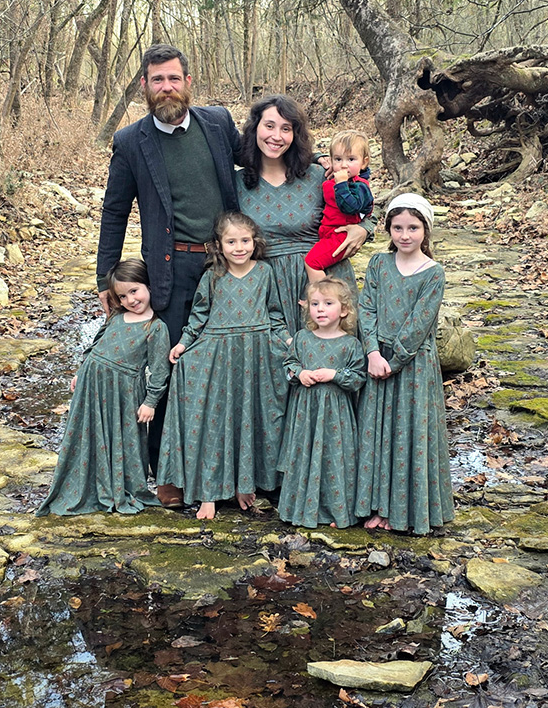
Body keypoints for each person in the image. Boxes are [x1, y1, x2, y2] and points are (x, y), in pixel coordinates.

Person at [96, 44, 242, 498]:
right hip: (171, 266)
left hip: (226, 263)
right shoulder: (131, 141)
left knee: (230, 362)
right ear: (144, 84)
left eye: (173, 78)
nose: (166, 87)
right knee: (169, 365)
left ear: (188, 82)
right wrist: (107, 279)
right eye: (157, 79)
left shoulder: (217, 124)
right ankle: (171, 473)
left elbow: (263, 164)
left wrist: (338, 184)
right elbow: (114, 211)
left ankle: (236, 471)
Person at [156, 212, 290, 520]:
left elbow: (275, 314)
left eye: (245, 241)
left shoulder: (265, 272)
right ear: (219, 245)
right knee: (217, 420)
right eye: (231, 241)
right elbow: (199, 317)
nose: (239, 247)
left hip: (257, 354)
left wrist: (288, 341)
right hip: (218, 355)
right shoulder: (213, 276)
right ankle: (210, 492)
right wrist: (183, 344)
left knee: (258, 416)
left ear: (254, 242)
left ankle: (250, 484)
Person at [37, 259, 169, 516]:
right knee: (89, 432)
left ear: (149, 286)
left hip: (124, 391)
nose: (131, 299)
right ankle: (85, 482)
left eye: (134, 290)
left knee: (123, 437)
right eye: (122, 295)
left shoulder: (156, 327)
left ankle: (119, 484)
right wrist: (82, 370)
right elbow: (96, 343)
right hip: (92, 383)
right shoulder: (117, 316)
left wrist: (151, 401)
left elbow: (160, 369)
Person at [355, 194, 454, 535]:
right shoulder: (378, 264)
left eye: (413, 227)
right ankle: (377, 505)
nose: (405, 235)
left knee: (406, 433)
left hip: (412, 367)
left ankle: (404, 509)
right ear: (388, 229)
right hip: (376, 359)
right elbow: (366, 307)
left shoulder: (433, 273)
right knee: (377, 433)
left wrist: (393, 360)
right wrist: (371, 352)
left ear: (426, 230)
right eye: (397, 227)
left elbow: (419, 324)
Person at [236, 95, 373, 337]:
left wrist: (365, 228)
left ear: (295, 135)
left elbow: (364, 203)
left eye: (286, 129)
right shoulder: (237, 183)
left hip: (325, 278)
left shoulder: (318, 176)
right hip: (270, 287)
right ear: (254, 128)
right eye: (269, 126)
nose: (276, 136)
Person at [277, 278, 366, 529]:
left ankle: (337, 513)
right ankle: (301, 510)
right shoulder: (302, 339)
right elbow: (289, 364)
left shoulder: (350, 344)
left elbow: (359, 377)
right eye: (315, 304)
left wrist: (335, 375)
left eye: (328, 303)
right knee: (305, 457)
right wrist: (299, 373)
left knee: (334, 459)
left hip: (336, 417)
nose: (320, 309)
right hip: (306, 413)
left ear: (344, 310)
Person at [305, 130, 373, 284]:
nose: (343, 165)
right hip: (328, 233)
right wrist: (318, 158)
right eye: (338, 159)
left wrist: (341, 184)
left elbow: (351, 208)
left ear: (364, 162)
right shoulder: (331, 178)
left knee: (312, 262)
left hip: (341, 236)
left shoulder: (359, 186)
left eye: (351, 159)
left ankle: (321, 296)